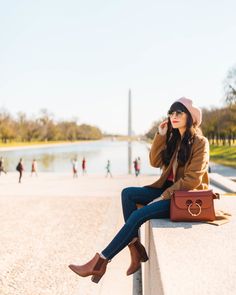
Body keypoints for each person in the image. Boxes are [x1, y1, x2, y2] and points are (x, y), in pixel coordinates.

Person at [68, 97, 210, 283]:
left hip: (183, 197)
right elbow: (154, 162)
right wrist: (160, 135)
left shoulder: (200, 142)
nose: (173, 116)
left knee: (138, 215)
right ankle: (136, 250)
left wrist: (163, 197)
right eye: (171, 113)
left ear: (190, 117)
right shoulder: (174, 139)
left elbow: (192, 180)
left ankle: (100, 262)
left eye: (178, 113)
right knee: (127, 193)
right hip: (167, 191)